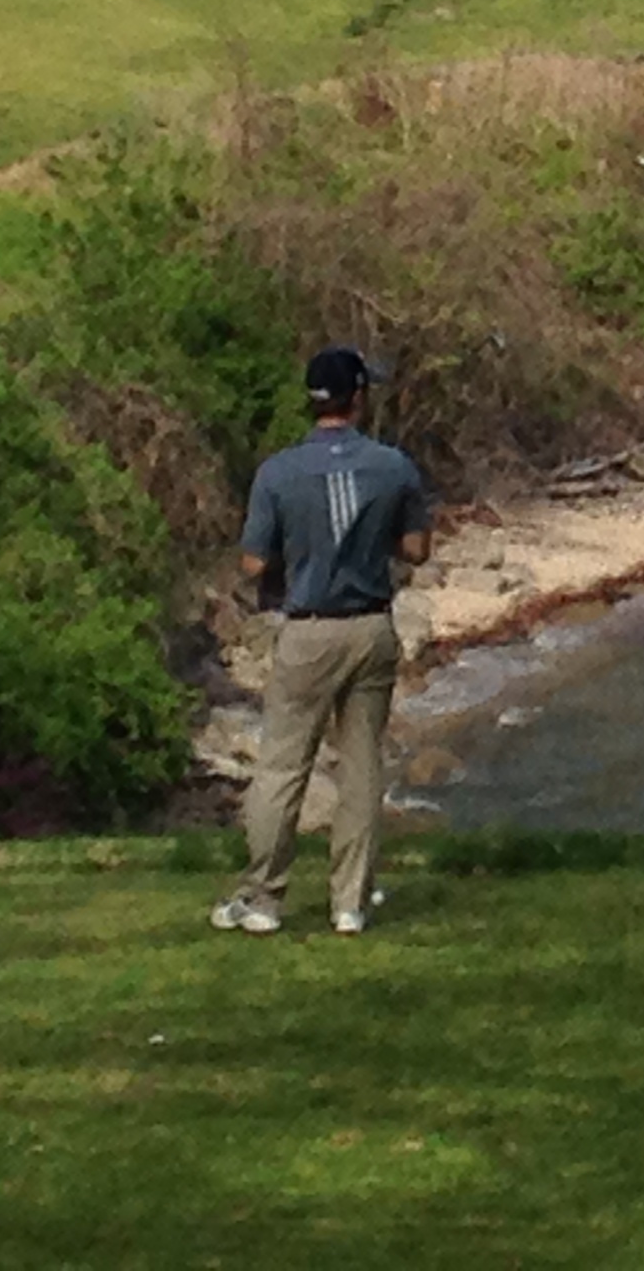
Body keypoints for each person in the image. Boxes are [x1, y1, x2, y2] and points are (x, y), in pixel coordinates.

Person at [211, 347, 432, 936]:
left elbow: (255, 562)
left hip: (307, 628)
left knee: (283, 765)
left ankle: (263, 896)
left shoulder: (278, 472)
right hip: (370, 625)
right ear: (357, 397)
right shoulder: (393, 466)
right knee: (360, 766)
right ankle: (349, 902)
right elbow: (416, 549)